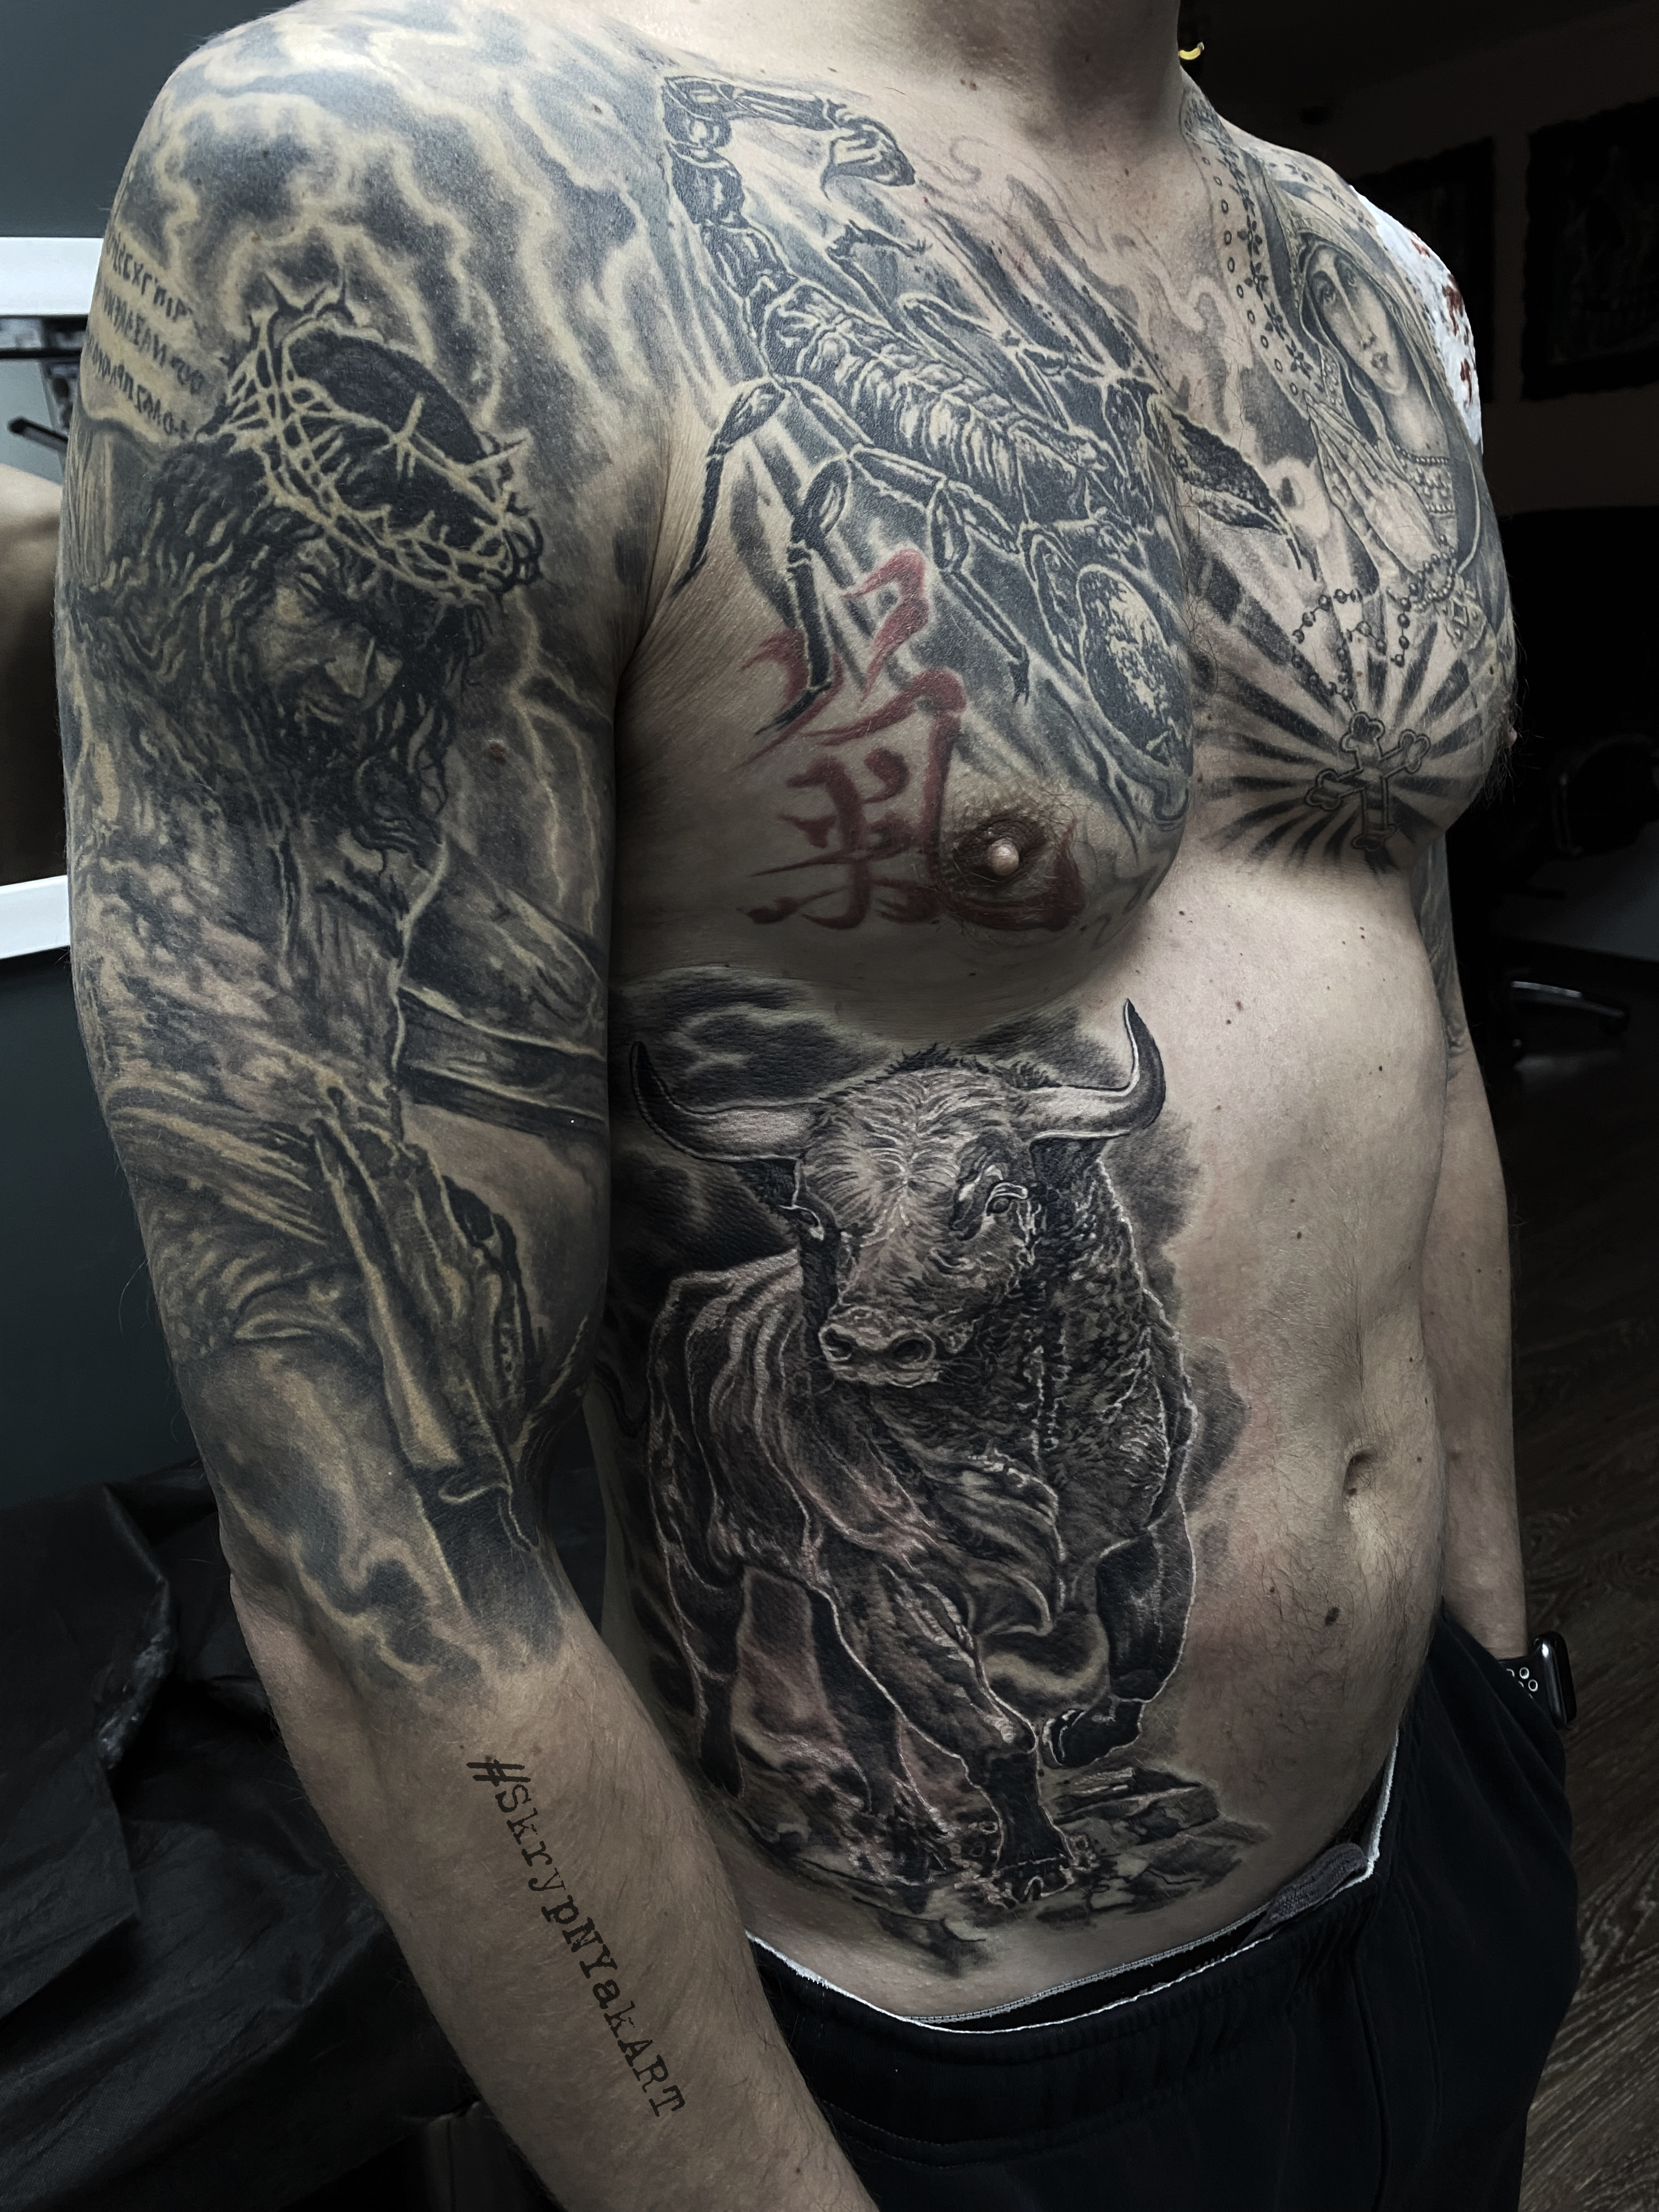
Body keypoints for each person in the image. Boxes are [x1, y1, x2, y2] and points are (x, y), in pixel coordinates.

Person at [59, 2, 1575, 2207]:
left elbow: (1414, 1039)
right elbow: (379, 1540)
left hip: (1439, 1839)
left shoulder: (1364, 275)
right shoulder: (406, 172)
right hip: (926, 2069)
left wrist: (1507, 1681)